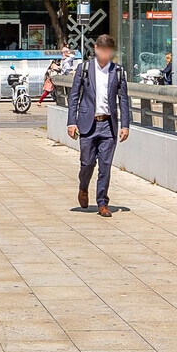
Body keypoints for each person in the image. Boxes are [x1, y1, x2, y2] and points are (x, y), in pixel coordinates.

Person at [66, 34, 130, 217]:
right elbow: (74, 97)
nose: (105, 54)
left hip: (108, 124)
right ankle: (83, 187)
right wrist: (72, 122)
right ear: (95, 49)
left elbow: (123, 100)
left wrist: (125, 125)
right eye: (102, 50)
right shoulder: (84, 68)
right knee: (87, 163)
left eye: (108, 51)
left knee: (105, 165)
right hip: (88, 123)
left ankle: (102, 202)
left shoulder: (117, 71)